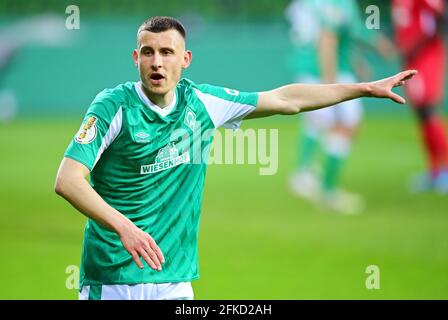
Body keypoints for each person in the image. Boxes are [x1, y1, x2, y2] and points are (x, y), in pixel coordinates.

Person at [54, 16, 417, 300]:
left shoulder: (202, 103)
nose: (157, 62)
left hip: (174, 280)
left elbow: (286, 99)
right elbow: (67, 180)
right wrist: (125, 227)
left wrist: (363, 89)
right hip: (112, 276)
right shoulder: (114, 106)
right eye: (148, 52)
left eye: (167, 52)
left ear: (185, 59)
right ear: (136, 58)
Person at [286, 0, 395, 214]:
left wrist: (355, 62)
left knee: (319, 121)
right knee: (346, 125)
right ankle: (327, 191)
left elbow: (336, 36)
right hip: (325, 73)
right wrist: (331, 85)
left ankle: (303, 174)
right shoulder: (339, 3)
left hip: (310, 68)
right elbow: (328, 39)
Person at [392, 0, 448, 193]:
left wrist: (417, 46)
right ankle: (434, 172)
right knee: (421, 115)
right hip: (411, 58)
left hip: (426, 56)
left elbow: (440, 15)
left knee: (429, 110)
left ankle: (446, 170)